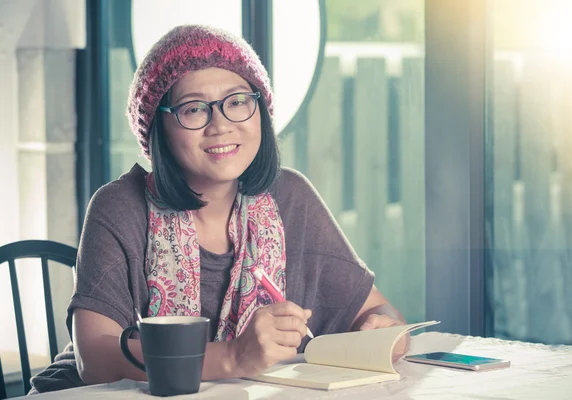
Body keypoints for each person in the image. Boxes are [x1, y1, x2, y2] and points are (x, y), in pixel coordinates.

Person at [29, 24, 408, 394]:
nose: (221, 125)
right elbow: (94, 359)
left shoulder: (291, 197)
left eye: (238, 102)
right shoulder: (118, 205)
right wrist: (232, 357)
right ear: (157, 128)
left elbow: (383, 316)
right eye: (194, 109)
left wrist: (379, 334)